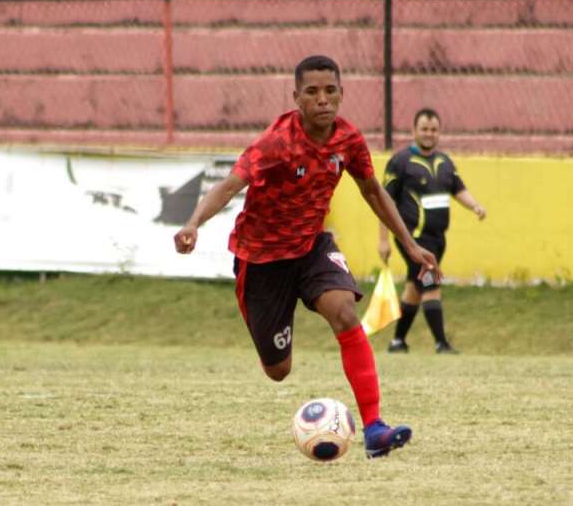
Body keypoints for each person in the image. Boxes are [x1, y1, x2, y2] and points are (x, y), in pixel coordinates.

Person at [173, 55, 440, 458]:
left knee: (346, 313)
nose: (322, 100)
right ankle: (272, 340)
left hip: (311, 247)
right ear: (296, 97)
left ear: (341, 94)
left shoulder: (348, 140)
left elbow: (373, 191)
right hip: (261, 260)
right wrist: (193, 222)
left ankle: (374, 429)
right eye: (312, 92)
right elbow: (230, 186)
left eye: (330, 91)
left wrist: (409, 244)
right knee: (278, 371)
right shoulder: (276, 143)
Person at [378, 108, 486, 354]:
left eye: (434, 130)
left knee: (415, 288)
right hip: (414, 240)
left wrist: (475, 206)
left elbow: (458, 189)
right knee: (431, 284)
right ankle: (441, 343)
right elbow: (384, 203)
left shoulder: (445, 162)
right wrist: (383, 240)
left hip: (438, 239)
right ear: (414, 131)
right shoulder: (400, 162)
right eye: (424, 129)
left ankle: (398, 342)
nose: (429, 134)